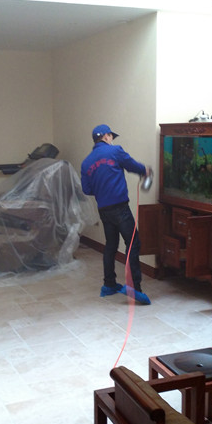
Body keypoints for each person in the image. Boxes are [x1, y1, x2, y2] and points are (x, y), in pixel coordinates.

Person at [81, 123, 152, 305]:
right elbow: (132, 165)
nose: (112, 139)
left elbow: (87, 189)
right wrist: (145, 170)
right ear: (106, 136)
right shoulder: (115, 151)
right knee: (133, 243)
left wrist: (102, 188)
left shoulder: (86, 162)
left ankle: (109, 284)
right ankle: (135, 288)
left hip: (104, 210)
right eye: (111, 136)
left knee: (111, 245)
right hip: (120, 208)